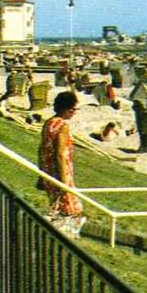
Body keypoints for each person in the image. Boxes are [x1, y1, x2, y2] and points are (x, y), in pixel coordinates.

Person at [37, 91, 85, 222]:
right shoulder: (63, 126)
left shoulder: (49, 122)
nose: (75, 112)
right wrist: (64, 182)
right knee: (71, 207)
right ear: (67, 109)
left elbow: (41, 149)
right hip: (60, 170)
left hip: (48, 169)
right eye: (74, 109)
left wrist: (41, 173)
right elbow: (60, 154)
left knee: (55, 203)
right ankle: (65, 234)